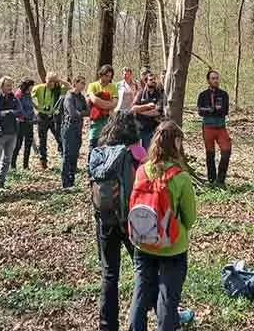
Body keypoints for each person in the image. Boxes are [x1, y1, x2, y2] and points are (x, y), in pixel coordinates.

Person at [127, 121, 197, 331]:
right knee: (167, 297)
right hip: (172, 246)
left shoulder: (141, 170)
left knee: (140, 292)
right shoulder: (181, 177)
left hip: (143, 242)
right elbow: (190, 218)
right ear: (176, 143)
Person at [88, 112, 145, 331]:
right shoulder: (136, 150)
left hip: (105, 218)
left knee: (109, 274)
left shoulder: (99, 152)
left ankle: (106, 326)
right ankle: (145, 319)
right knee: (142, 270)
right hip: (131, 219)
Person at [196, 69, 231, 187]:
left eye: (217, 78)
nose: (216, 81)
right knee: (210, 154)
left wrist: (214, 110)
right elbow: (200, 111)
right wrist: (210, 110)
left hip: (221, 127)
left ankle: (221, 180)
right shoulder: (202, 95)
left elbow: (225, 111)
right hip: (208, 128)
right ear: (208, 80)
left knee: (226, 151)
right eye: (213, 78)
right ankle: (212, 179)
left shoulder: (223, 94)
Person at [60, 76, 89, 189]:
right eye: (81, 83)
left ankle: (72, 181)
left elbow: (88, 112)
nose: (83, 85)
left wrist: (80, 112)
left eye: (84, 83)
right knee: (67, 155)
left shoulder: (81, 97)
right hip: (68, 128)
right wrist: (80, 112)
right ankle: (65, 183)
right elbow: (72, 113)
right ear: (75, 83)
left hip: (78, 128)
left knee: (75, 155)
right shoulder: (69, 96)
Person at [32, 73, 65, 170]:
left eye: (53, 82)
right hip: (42, 116)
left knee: (59, 137)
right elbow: (27, 96)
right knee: (42, 140)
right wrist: (36, 106)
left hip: (54, 116)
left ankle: (63, 159)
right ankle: (43, 161)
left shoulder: (57, 89)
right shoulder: (38, 88)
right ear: (45, 80)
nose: (51, 84)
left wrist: (60, 81)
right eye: (49, 81)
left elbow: (70, 87)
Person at [87, 65, 118, 149]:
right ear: (101, 74)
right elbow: (93, 100)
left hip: (108, 119)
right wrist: (107, 104)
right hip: (96, 120)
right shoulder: (92, 85)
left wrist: (100, 103)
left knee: (106, 144)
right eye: (107, 76)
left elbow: (114, 104)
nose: (108, 78)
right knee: (93, 143)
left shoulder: (113, 87)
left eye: (110, 77)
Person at [133, 70, 164, 150]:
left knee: (154, 150)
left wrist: (140, 111)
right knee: (143, 150)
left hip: (154, 127)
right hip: (142, 127)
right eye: (151, 79)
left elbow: (157, 112)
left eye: (154, 79)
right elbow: (133, 108)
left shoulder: (159, 95)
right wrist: (147, 106)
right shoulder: (140, 93)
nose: (153, 81)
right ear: (146, 81)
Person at [12, 78, 37, 170]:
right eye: (31, 86)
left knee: (28, 143)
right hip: (21, 122)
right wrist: (25, 117)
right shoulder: (19, 94)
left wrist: (34, 117)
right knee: (18, 144)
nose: (32, 88)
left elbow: (30, 107)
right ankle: (13, 165)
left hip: (29, 122)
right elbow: (18, 108)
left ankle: (25, 165)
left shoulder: (28, 94)